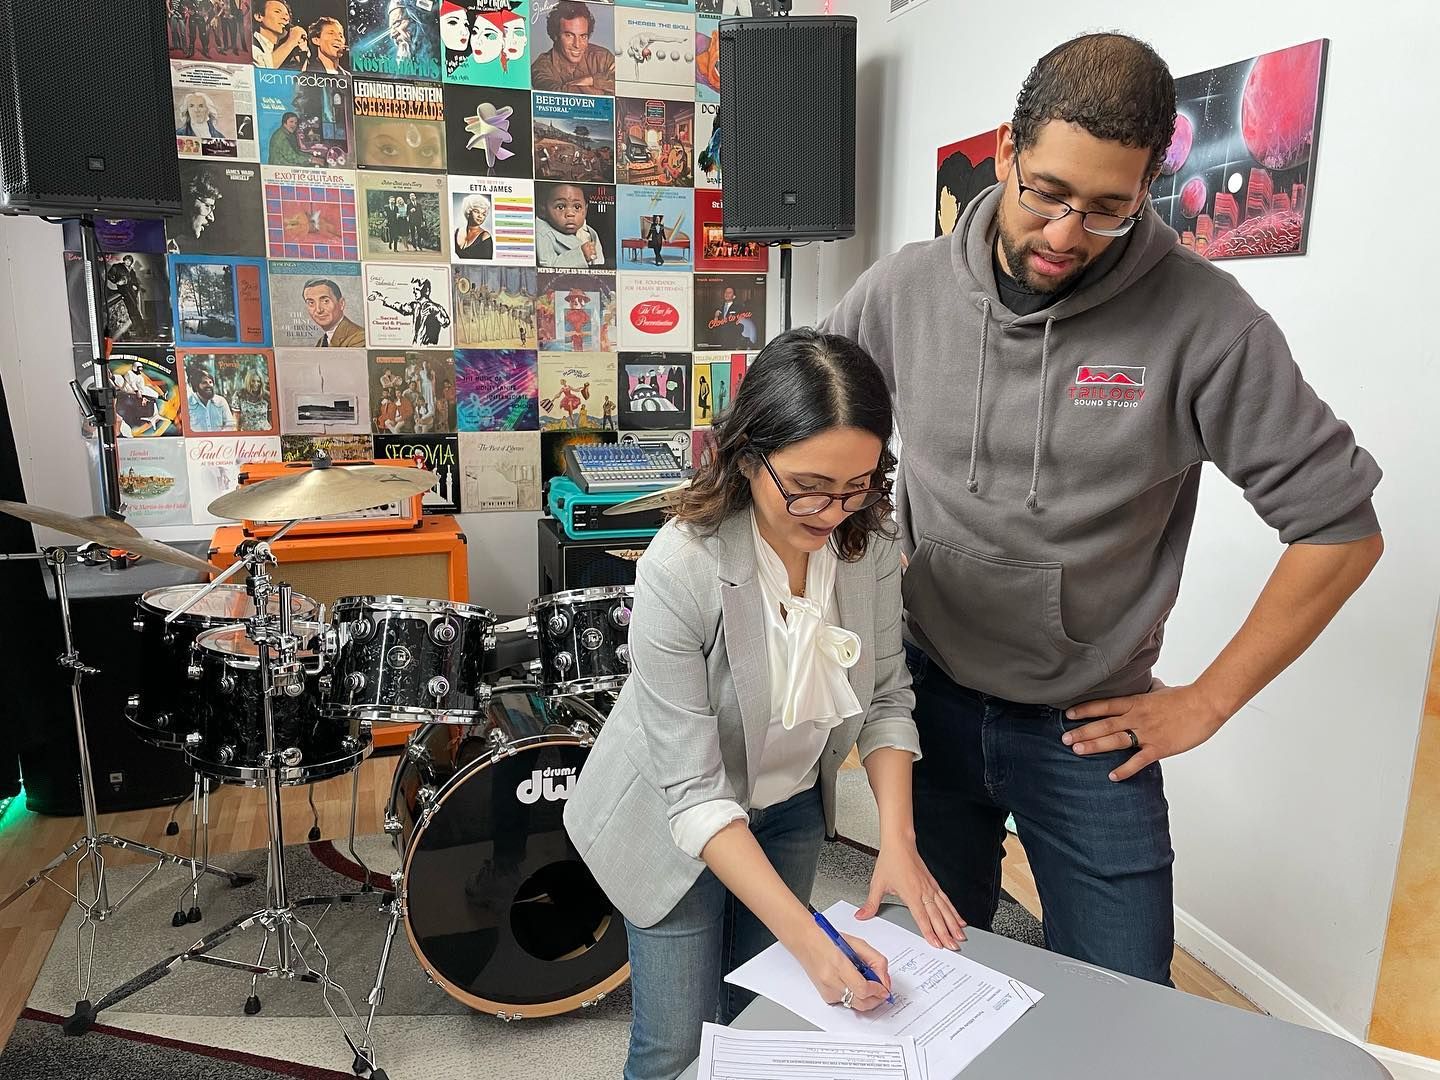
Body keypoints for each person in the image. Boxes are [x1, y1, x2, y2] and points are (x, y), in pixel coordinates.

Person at [820, 32, 1383, 987]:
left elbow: (1339, 528)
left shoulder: (1210, 324)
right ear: (1006, 152)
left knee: (1129, 1003)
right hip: (926, 691)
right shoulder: (901, 291)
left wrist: (1206, 701)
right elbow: (801, 426)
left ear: (1150, 185)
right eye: (1045, 191)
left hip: (1086, 727)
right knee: (931, 977)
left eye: (1108, 207)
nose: (1066, 234)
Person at [567, 328, 964, 1080]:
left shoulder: (868, 550)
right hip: (673, 816)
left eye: (859, 486)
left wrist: (899, 843)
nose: (833, 513)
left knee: (758, 1029)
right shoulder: (682, 566)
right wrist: (813, 940)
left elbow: (884, 699)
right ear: (748, 458)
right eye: (810, 486)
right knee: (676, 1045)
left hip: (787, 808)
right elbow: (693, 795)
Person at [531, 1, 615, 95]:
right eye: (569, 35)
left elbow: (625, 84)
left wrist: (592, 80)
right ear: (555, 35)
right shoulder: (541, 67)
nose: (577, 45)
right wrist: (604, 85)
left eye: (583, 36)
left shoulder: (602, 57)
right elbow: (559, 96)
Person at [535, 183, 603, 268]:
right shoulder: (543, 233)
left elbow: (599, 261)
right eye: (560, 207)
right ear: (543, 210)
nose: (570, 214)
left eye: (577, 207)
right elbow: (548, 267)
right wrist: (581, 255)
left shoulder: (590, 232)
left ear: (585, 210)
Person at [303, 278, 365, 347]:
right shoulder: (322, 341)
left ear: (341, 303)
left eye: (325, 301)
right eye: (311, 303)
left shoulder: (359, 338)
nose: (318, 310)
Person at [252, 0, 308, 67]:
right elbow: (264, 69)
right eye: (277, 12)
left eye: (287, 15)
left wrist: (302, 56)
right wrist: (291, 42)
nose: (286, 18)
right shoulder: (249, 46)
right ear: (259, 16)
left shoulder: (286, 51)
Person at [186, 365, 237, 431]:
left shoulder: (221, 401)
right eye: (204, 382)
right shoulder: (187, 404)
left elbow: (230, 423)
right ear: (196, 386)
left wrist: (219, 436)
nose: (209, 385)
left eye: (210, 382)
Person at [453, 194, 494, 260]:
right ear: (468, 211)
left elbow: (486, 264)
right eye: (476, 211)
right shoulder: (456, 232)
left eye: (483, 214)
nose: (480, 216)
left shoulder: (485, 237)